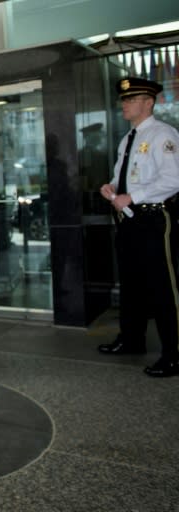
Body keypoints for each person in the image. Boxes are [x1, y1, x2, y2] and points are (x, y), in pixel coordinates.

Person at [97, 77, 179, 378]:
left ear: (149, 102)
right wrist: (112, 188)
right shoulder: (128, 138)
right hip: (129, 219)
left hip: (155, 219)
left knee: (163, 288)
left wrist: (133, 196)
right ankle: (132, 340)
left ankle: (174, 353)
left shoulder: (163, 135)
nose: (124, 104)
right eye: (123, 99)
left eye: (131, 99)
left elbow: (173, 179)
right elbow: (124, 176)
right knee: (132, 285)